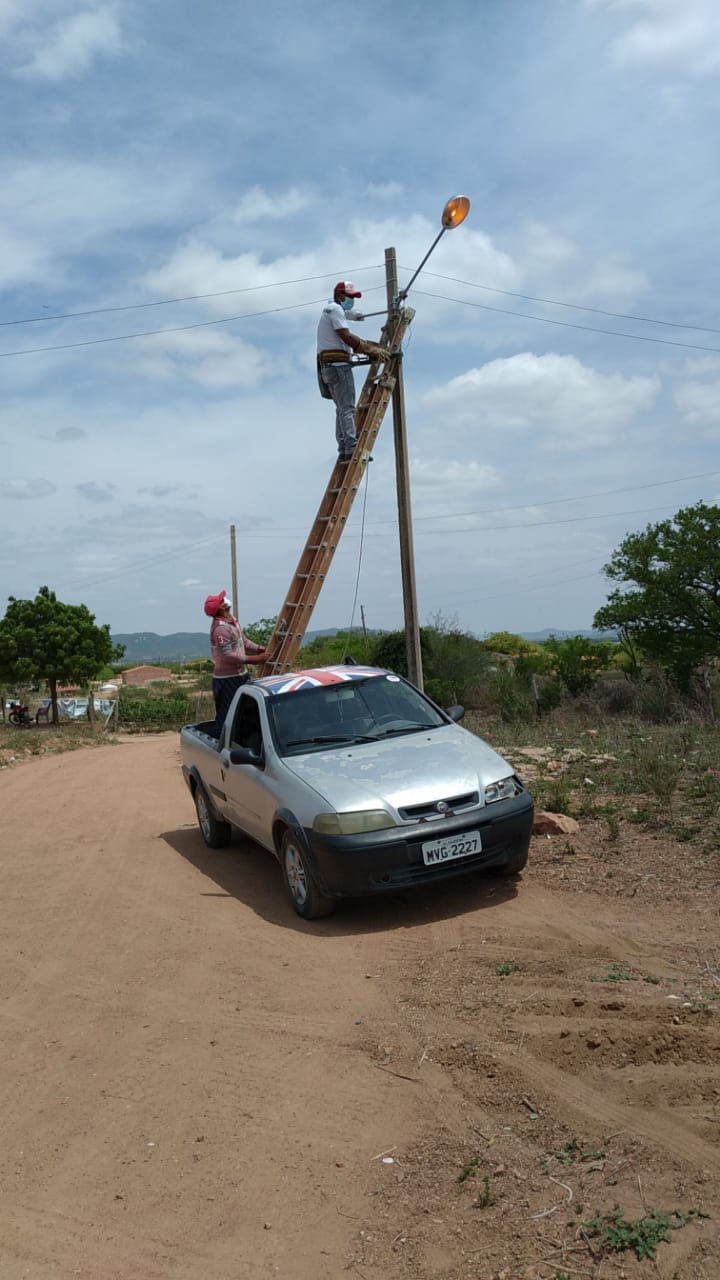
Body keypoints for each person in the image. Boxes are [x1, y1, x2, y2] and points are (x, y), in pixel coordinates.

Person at [316, 281, 390, 462]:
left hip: (329, 367)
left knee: (341, 409)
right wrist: (367, 348)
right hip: (338, 367)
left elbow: (344, 329)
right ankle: (350, 447)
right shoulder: (335, 310)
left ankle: (344, 448)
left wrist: (363, 343)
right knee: (347, 409)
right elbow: (346, 336)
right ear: (340, 295)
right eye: (350, 297)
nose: (352, 300)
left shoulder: (330, 310)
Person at [204, 591, 266, 733]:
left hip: (240, 675)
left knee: (246, 710)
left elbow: (243, 642)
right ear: (221, 607)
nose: (225, 599)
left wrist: (260, 649)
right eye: (222, 600)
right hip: (227, 680)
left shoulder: (232, 622)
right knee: (227, 714)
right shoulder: (221, 629)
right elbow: (227, 655)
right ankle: (223, 745)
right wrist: (253, 660)